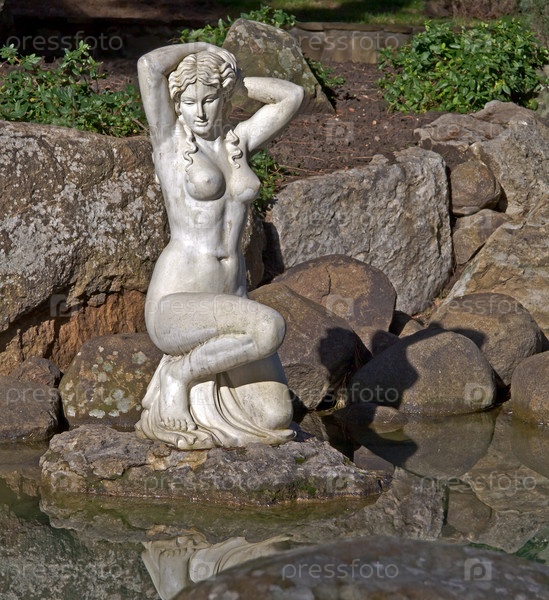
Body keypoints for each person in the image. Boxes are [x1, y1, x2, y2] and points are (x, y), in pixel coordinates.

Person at [135, 43, 304, 449]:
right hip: (177, 303)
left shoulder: (237, 141)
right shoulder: (169, 143)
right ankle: (179, 376)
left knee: (275, 416)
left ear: (222, 100)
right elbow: (149, 66)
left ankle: (198, 385)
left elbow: (291, 96)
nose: (199, 112)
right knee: (269, 327)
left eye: (209, 100)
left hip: (230, 298)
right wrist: (201, 48)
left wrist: (234, 82)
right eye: (188, 102)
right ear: (176, 105)